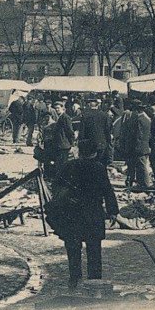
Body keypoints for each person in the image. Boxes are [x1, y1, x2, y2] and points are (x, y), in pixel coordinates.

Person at [48, 139, 119, 289]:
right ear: (95, 153)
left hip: (72, 214)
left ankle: (74, 278)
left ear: (80, 152)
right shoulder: (99, 168)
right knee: (94, 250)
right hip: (93, 214)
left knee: (73, 248)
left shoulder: (70, 166)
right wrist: (113, 211)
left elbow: (55, 186)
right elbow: (107, 190)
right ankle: (94, 281)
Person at [125, 101, 153, 189]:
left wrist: (134, 148)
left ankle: (145, 184)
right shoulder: (146, 119)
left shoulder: (138, 120)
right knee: (141, 166)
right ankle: (142, 183)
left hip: (139, 147)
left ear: (137, 110)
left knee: (141, 166)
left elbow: (138, 135)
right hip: (144, 146)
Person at [79, 95, 113, 165]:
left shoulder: (84, 115)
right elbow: (108, 130)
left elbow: (82, 132)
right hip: (102, 144)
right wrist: (108, 142)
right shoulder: (104, 115)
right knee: (101, 164)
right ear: (98, 104)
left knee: (90, 165)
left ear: (88, 104)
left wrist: (81, 144)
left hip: (89, 145)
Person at [51, 100, 75, 177]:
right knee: (59, 164)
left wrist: (72, 144)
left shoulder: (65, 117)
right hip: (60, 144)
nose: (57, 110)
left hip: (64, 144)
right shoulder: (60, 117)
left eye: (58, 108)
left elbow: (70, 131)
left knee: (62, 164)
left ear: (63, 108)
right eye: (55, 108)